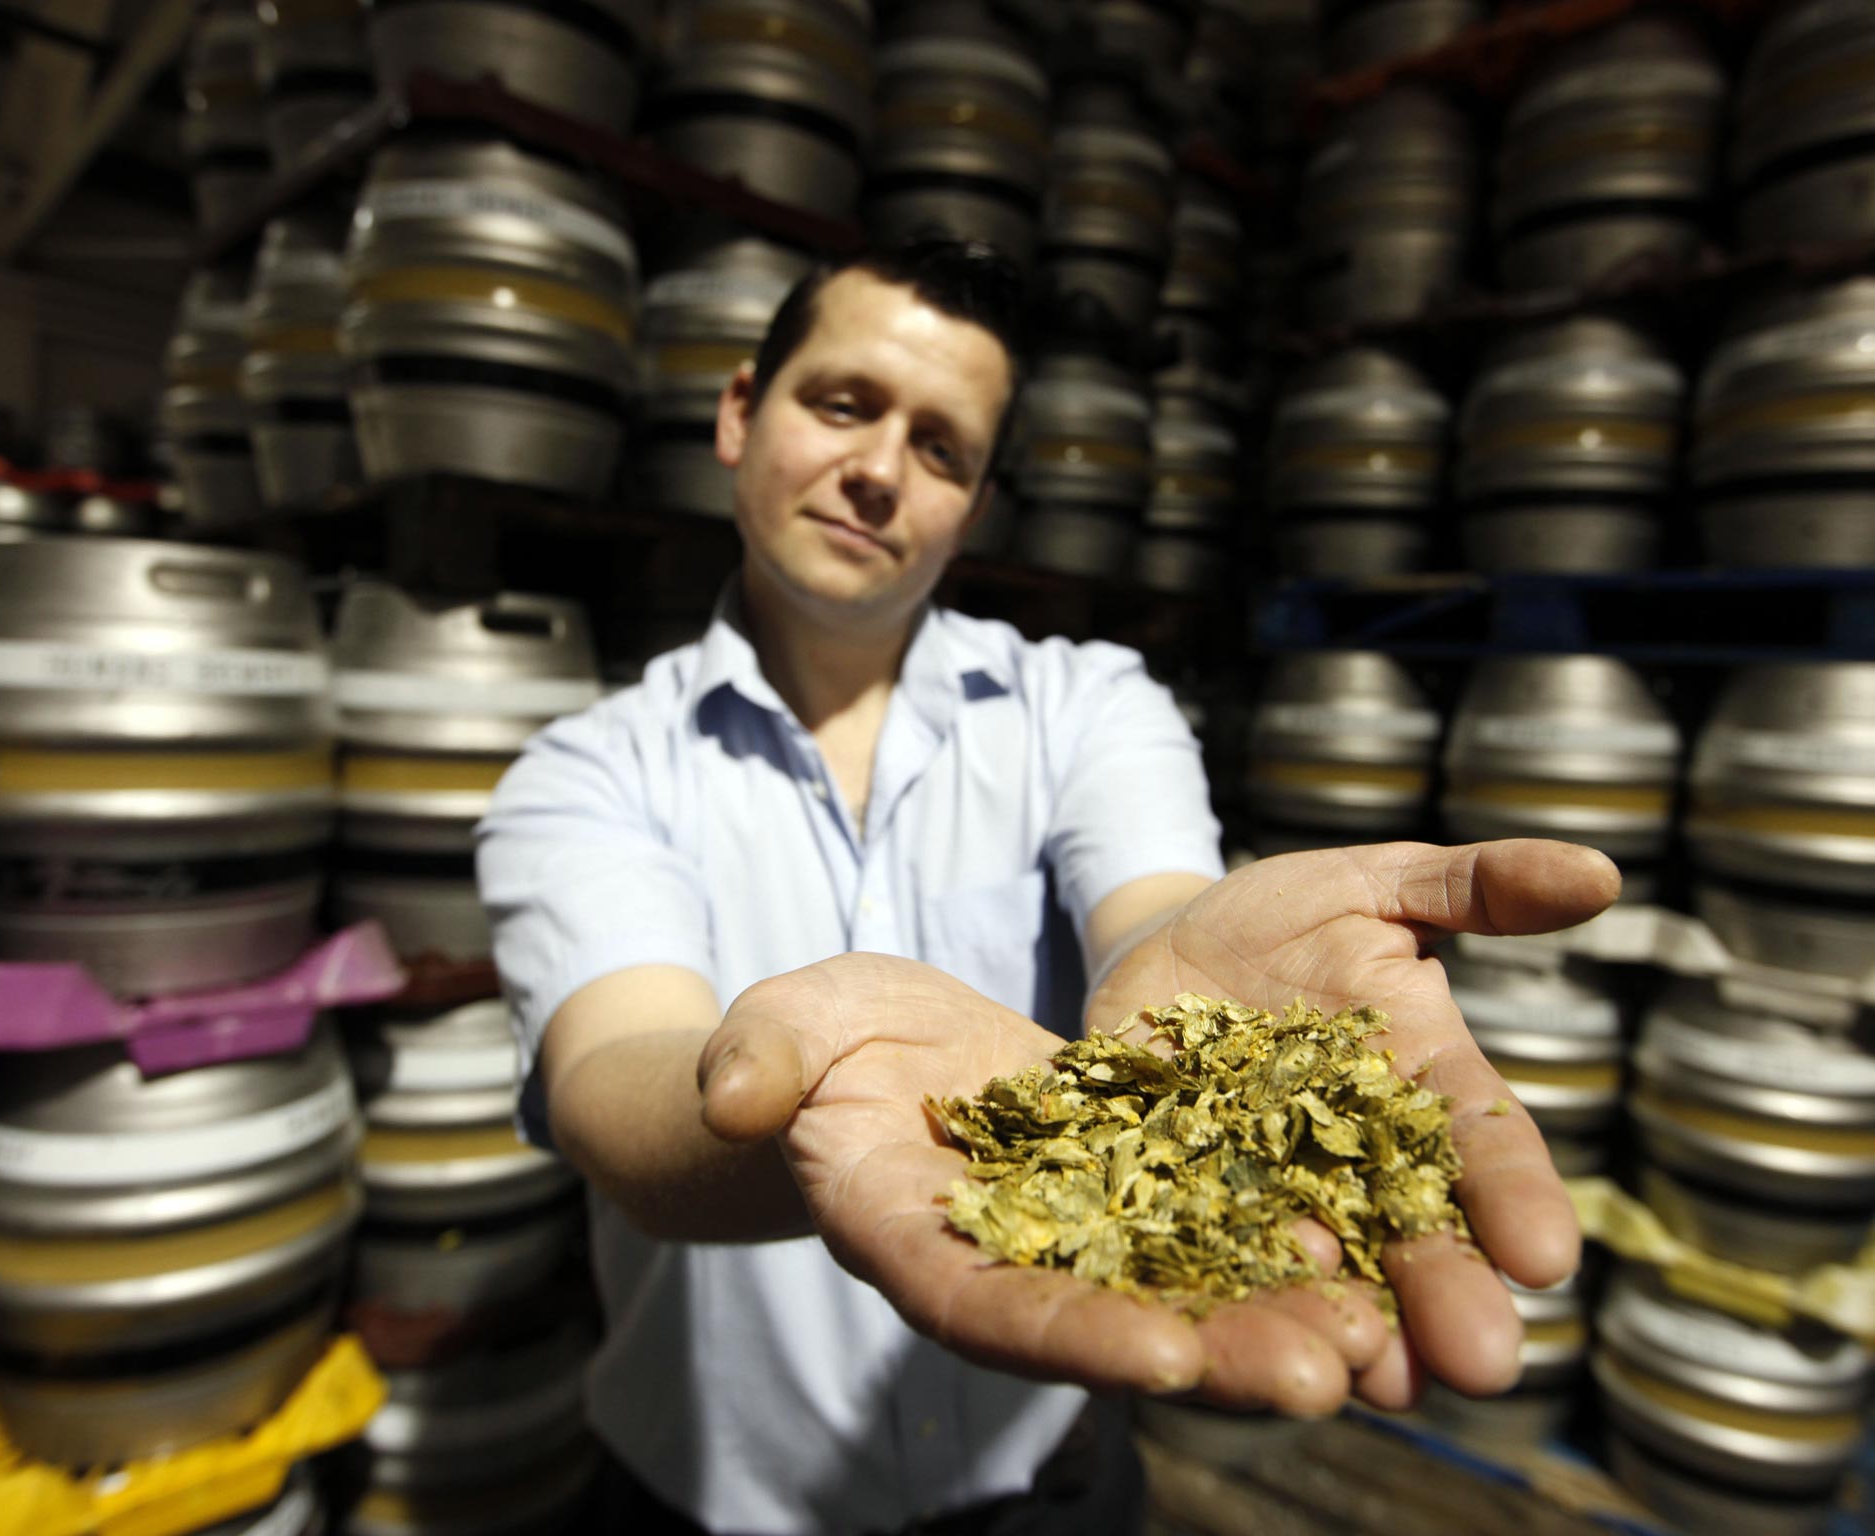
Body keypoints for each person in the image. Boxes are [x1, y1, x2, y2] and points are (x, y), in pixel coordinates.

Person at [476, 241, 1610, 1536]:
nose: (878, 470)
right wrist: (804, 1101)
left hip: (1049, 1485)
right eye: (842, 403)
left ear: (978, 500)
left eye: (942, 447)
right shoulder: (586, 771)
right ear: (741, 412)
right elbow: (615, 1080)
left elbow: (1159, 918)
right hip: (721, 1498)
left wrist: (1215, 1001)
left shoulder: (1087, 706)